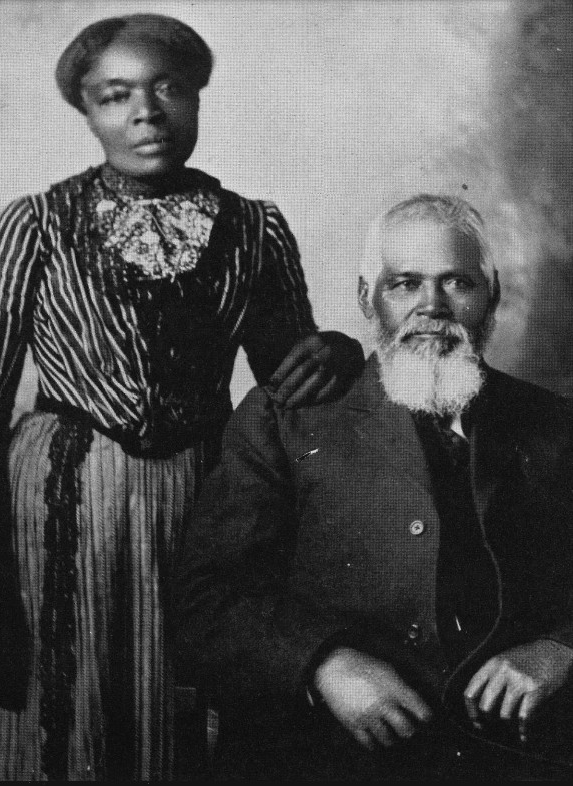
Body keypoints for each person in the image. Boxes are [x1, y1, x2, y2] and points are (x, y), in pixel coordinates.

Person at [0, 13, 364, 781]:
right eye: (115, 96)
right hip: (59, 502)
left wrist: (339, 352)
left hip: (200, 492)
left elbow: (291, 377)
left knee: (186, 689)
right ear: (87, 112)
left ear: (197, 97)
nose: (146, 112)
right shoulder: (36, 225)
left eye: (168, 89)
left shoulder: (253, 229)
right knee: (65, 694)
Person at [174, 194, 573, 780]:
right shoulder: (284, 420)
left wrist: (562, 648)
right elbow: (204, 597)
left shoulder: (554, 426)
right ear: (368, 298)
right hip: (322, 756)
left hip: (507, 756)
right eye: (405, 283)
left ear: (493, 295)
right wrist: (322, 664)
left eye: (457, 283)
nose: (431, 308)